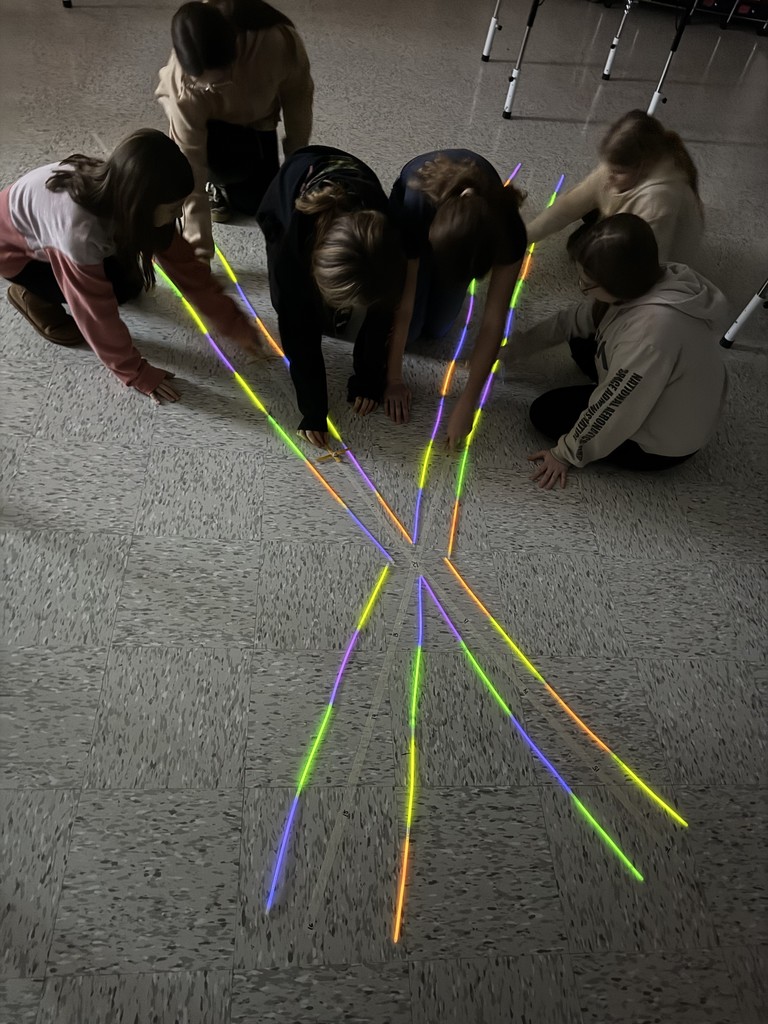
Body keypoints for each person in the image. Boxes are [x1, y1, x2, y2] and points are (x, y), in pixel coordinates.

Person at [1, 129, 264, 402]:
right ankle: (31, 295)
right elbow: (93, 311)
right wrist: (135, 372)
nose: (179, 214)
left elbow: (184, 265)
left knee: (127, 287)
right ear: (140, 203)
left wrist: (232, 322)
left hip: (64, 234)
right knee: (108, 295)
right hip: (17, 256)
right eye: (174, 208)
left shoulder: (126, 187)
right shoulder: (78, 235)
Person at [513, 214, 727, 489]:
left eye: (586, 283)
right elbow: (572, 320)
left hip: (664, 443)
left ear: (618, 286)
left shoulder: (651, 336)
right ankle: (614, 375)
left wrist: (564, 454)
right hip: (661, 381)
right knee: (581, 337)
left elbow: (615, 409)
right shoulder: (649, 274)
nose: (582, 290)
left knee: (545, 413)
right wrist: (515, 347)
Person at [256, 145, 406, 447]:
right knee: (292, 306)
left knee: (368, 304)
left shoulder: (387, 242)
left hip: (356, 181)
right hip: (288, 190)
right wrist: (313, 410)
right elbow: (296, 330)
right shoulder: (291, 244)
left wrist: (369, 380)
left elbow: (384, 312)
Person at [156, 0, 313, 262]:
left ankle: (235, 180)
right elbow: (190, 164)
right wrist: (200, 250)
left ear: (234, 50)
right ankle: (216, 183)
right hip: (211, 131)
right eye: (204, 85)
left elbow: (298, 97)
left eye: (218, 81)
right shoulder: (185, 86)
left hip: (256, 120)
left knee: (258, 205)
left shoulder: (276, 44)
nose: (212, 88)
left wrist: (297, 160)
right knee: (223, 167)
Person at [386, 150, 527, 438]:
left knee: (438, 329)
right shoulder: (417, 204)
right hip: (416, 207)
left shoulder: (509, 229)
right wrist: (394, 379)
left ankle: (448, 278)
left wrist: (467, 404)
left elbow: (493, 321)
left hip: (460, 233)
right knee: (410, 331)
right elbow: (405, 303)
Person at [526, 110, 703, 265]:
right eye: (607, 167)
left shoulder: (659, 199)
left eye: (617, 172)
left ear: (645, 165)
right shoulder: (620, 169)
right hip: (630, 219)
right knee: (588, 210)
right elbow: (567, 208)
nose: (608, 177)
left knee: (584, 252)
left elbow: (652, 264)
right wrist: (524, 237)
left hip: (652, 248)